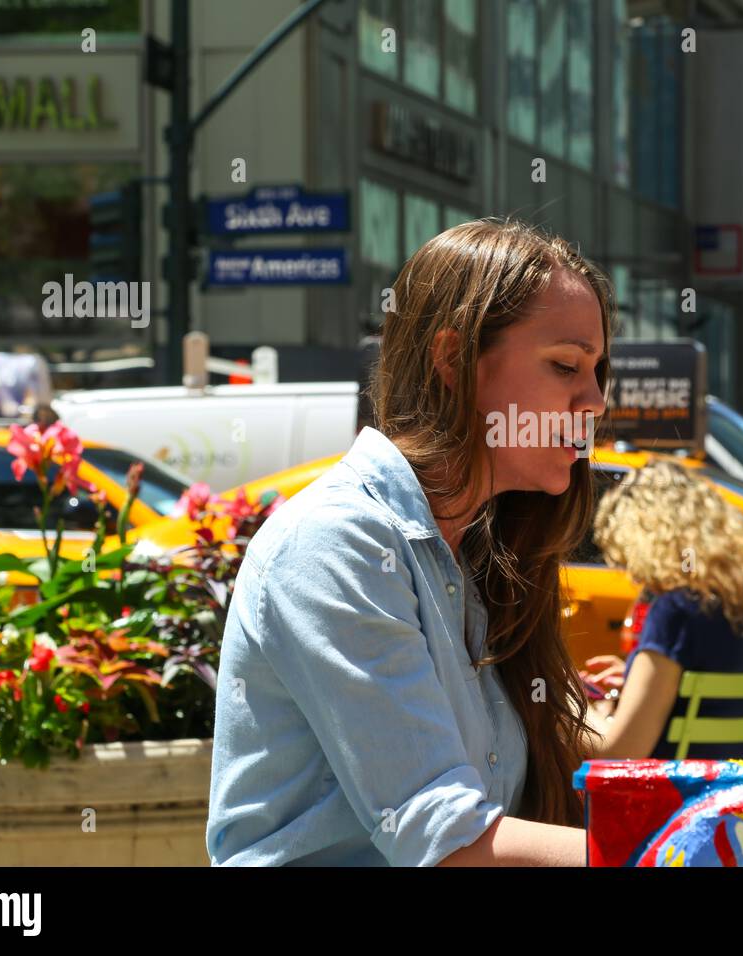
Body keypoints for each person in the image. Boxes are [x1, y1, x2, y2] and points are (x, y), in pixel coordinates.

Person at [206, 218, 612, 866]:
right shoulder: (335, 542)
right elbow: (445, 840)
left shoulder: (469, 554)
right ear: (453, 360)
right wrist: (675, 854)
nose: (593, 401)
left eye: (597, 371)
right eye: (566, 366)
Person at [579, 461, 743, 761]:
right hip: (739, 797)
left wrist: (572, 702)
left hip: (673, 801)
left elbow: (619, 752)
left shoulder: (675, 612)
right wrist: (637, 677)